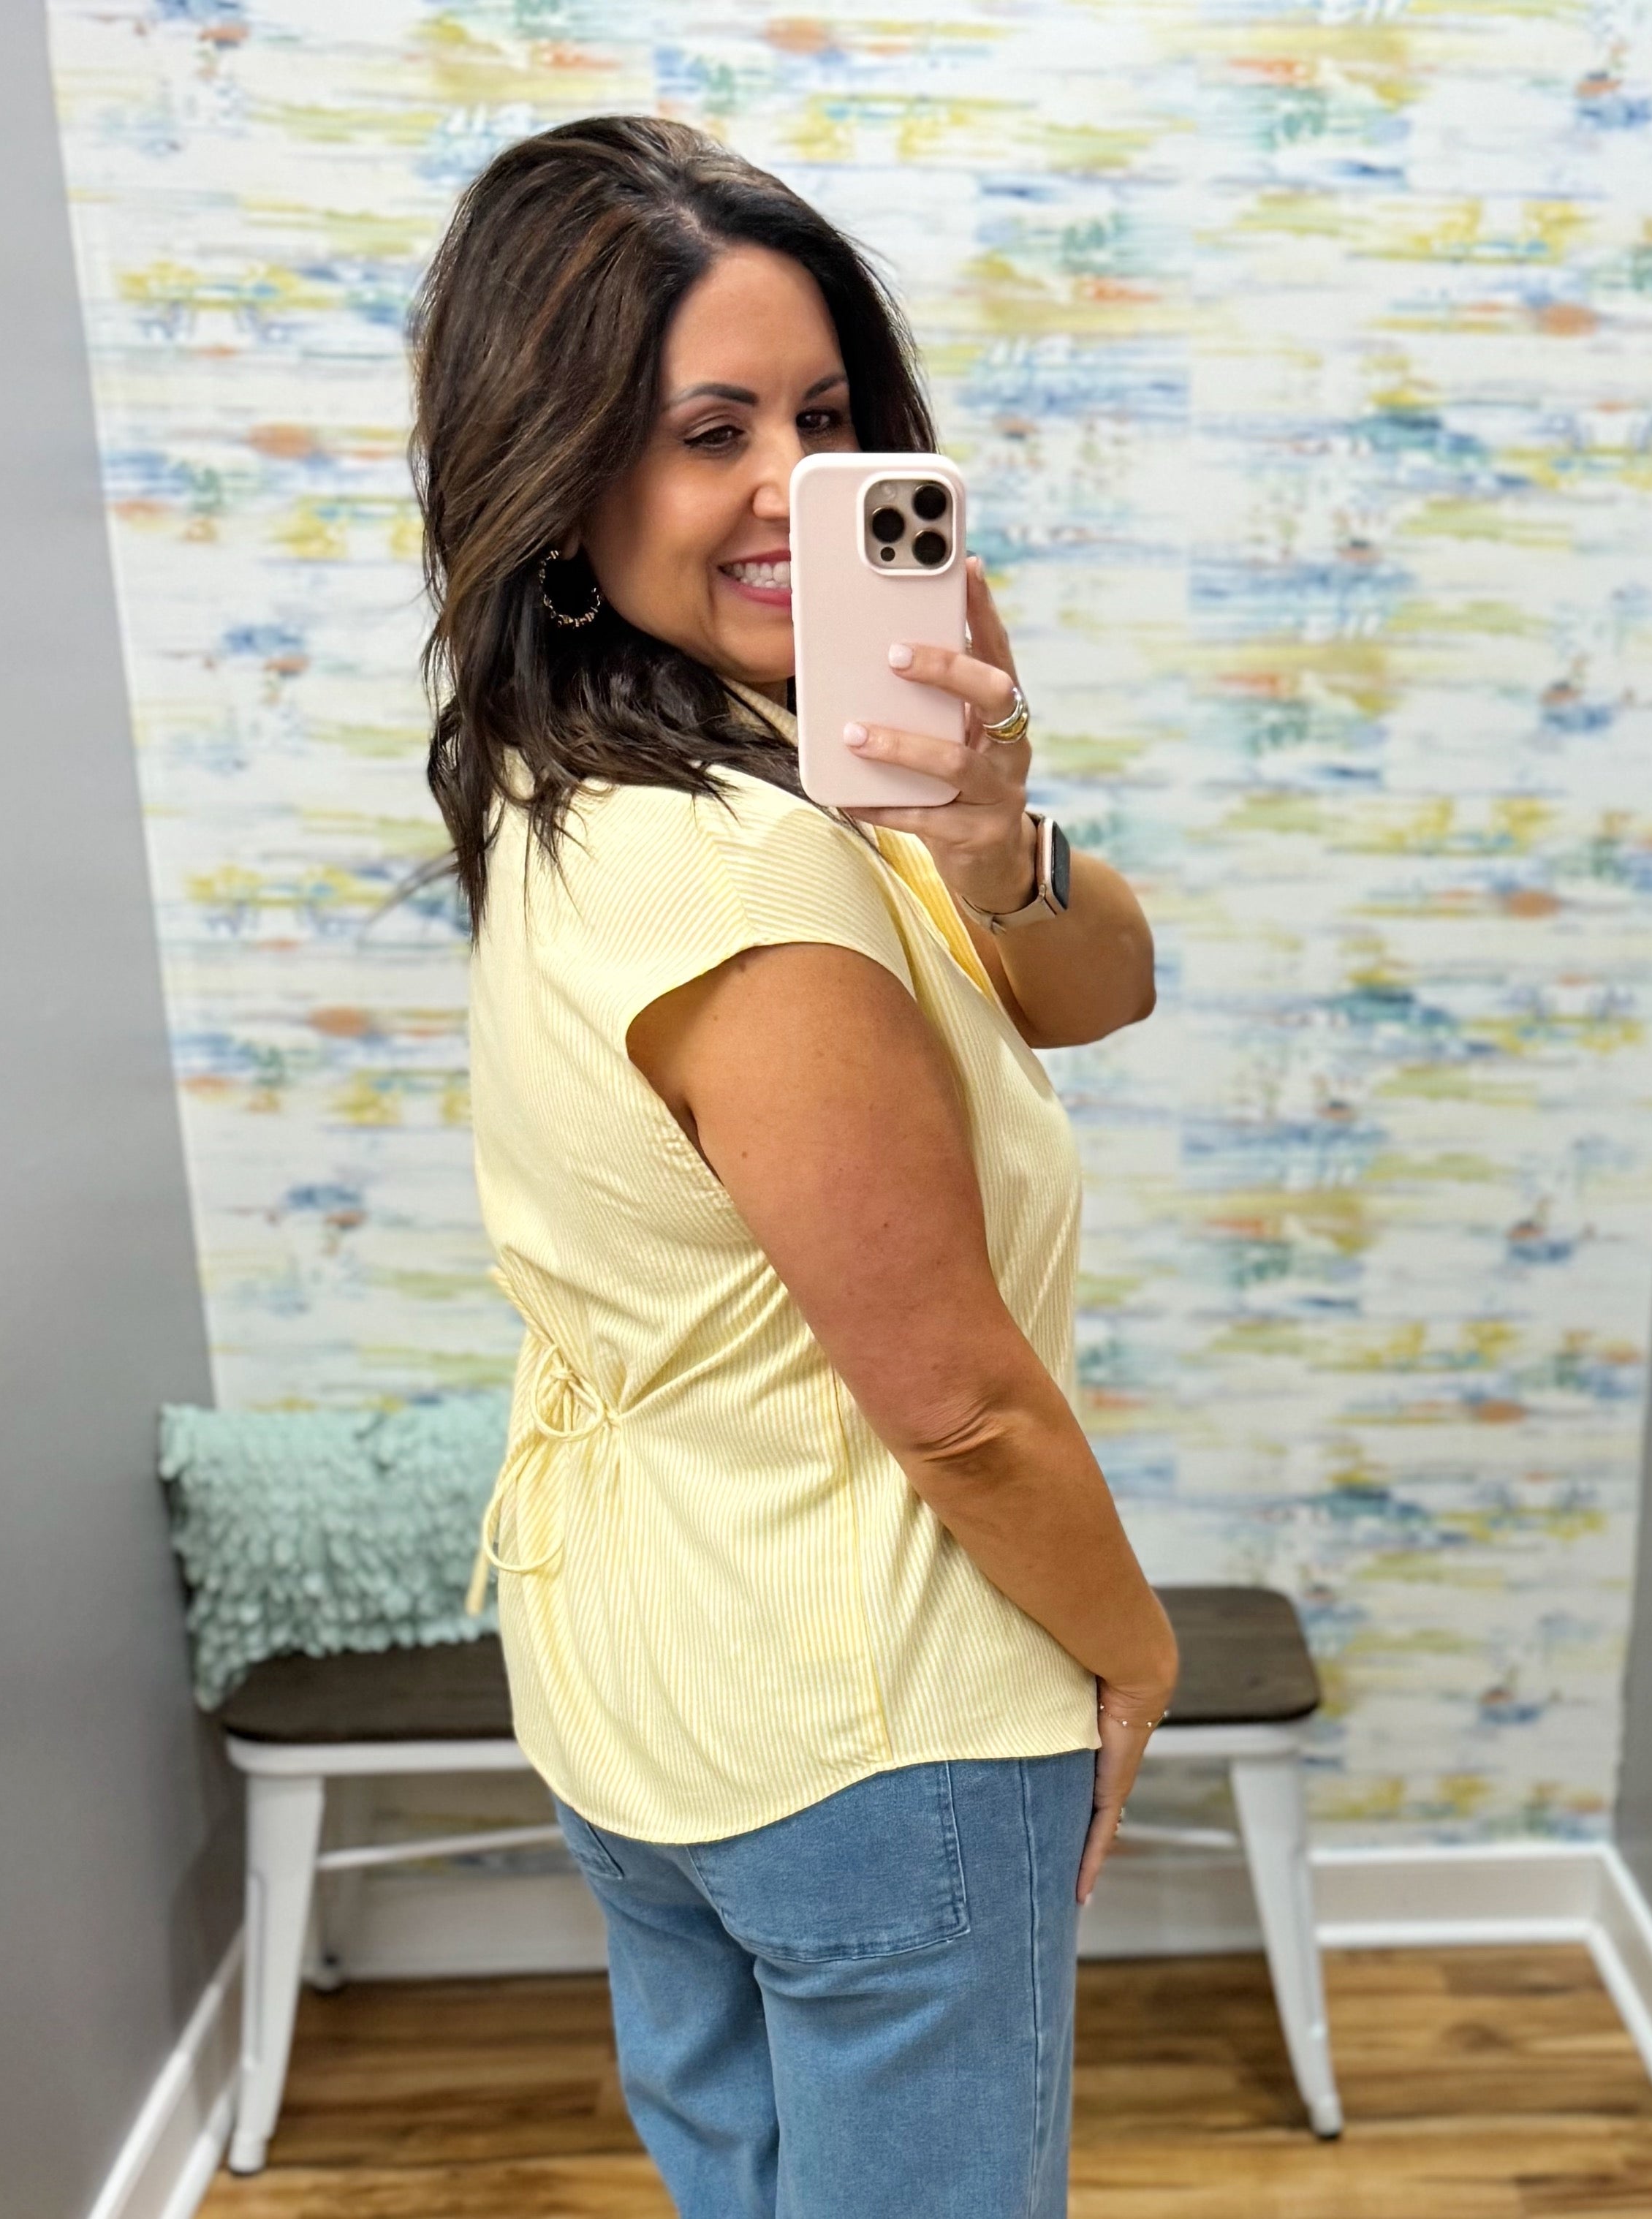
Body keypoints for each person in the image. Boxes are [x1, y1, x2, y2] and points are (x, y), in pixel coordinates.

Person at [411, 114, 1178, 2219]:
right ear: (560, 479)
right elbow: (955, 1397)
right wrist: (1130, 1646)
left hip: (641, 1693)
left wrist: (991, 828)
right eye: (705, 428)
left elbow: (1096, 988)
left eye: (824, 419)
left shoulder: (616, 780)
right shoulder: (752, 883)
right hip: (876, 1725)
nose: (787, 489)